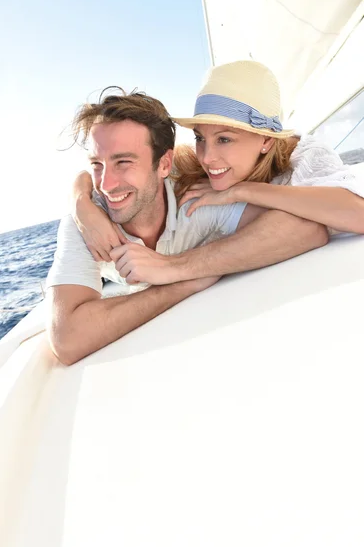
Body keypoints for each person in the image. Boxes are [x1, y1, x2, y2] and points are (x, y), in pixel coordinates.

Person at [46, 85, 326, 365]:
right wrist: (183, 284)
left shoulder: (194, 193)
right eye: (98, 164)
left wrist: (176, 267)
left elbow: (307, 226)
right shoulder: (86, 221)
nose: (106, 185)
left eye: (123, 162)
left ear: (164, 164)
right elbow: (67, 340)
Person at [72, 61, 363, 287]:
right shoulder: (191, 165)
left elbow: (357, 214)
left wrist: (241, 191)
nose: (208, 157)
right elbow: (99, 170)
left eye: (224, 139)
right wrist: (82, 207)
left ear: (266, 141)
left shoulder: (305, 156)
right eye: (200, 138)